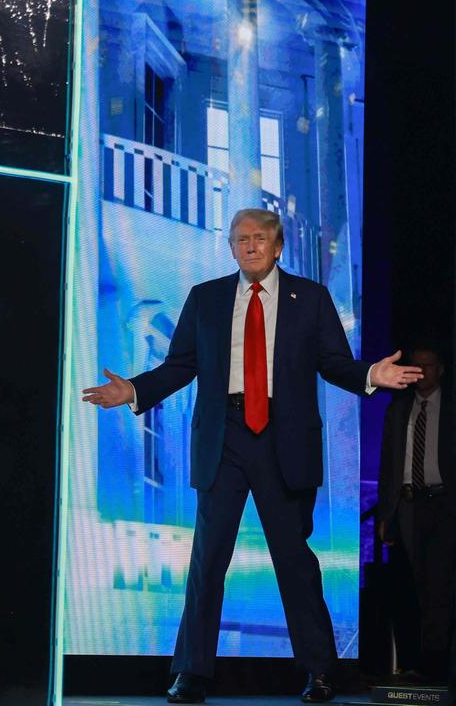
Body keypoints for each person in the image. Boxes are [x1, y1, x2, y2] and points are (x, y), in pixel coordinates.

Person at [83, 209, 422, 704]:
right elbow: (180, 366)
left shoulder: (311, 297)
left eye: (259, 238)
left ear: (278, 246)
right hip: (224, 437)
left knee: (295, 563)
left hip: (284, 438)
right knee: (207, 561)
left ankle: (320, 672)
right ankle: (192, 674)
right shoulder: (207, 298)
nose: (249, 246)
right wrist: (135, 389)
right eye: (240, 239)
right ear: (231, 247)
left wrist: (371, 375)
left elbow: (332, 363)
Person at [375, 345, 455, 685]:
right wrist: (385, 515)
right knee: (408, 586)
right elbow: (388, 465)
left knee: (439, 585)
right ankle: (410, 663)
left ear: (441, 369)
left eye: (428, 365)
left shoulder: (455, 409)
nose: (421, 372)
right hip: (406, 505)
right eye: (416, 366)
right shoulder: (398, 409)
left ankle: (436, 666)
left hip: (443, 505)